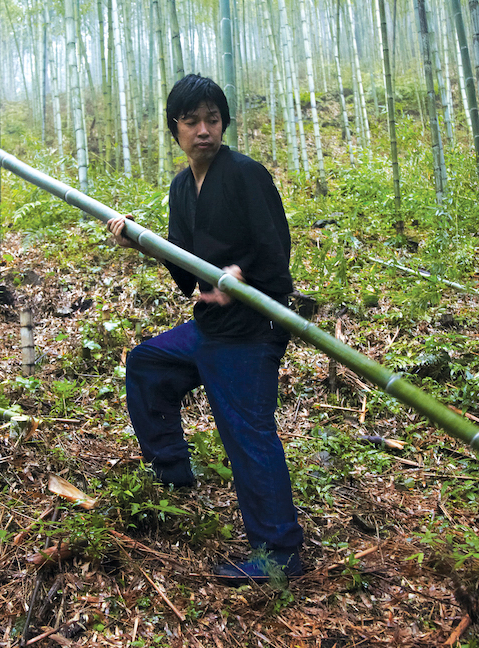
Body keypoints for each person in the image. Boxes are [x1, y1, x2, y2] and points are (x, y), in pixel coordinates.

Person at [106, 74, 304, 585]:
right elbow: (185, 270)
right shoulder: (180, 187)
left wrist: (239, 276)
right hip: (209, 327)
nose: (203, 130)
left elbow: (274, 255)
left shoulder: (245, 175)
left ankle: (279, 553)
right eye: (191, 121)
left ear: (224, 123)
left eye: (212, 119)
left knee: (247, 434)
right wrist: (141, 243)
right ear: (175, 129)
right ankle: (172, 470)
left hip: (250, 331)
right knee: (148, 364)